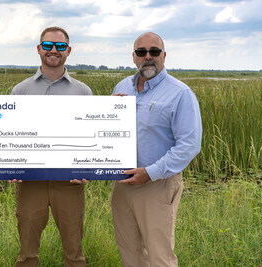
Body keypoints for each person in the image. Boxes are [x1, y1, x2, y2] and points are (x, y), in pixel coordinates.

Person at [111, 32, 202, 266]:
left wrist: (150, 172)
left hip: (157, 184)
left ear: (164, 55)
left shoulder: (181, 93)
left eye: (154, 51)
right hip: (122, 184)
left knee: (159, 256)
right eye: (142, 52)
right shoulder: (122, 87)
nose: (148, 57)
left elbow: (189, 145)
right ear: (134, 57)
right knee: (129, 253)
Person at [10, 26, 92, 267]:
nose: (53, 50)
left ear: (68, 51)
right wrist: (9, 166)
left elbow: (90, 136)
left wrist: (88, 169)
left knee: (74, 251)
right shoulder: (20, 91)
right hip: (30, 182)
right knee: (26, 252)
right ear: (39, 49)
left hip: (69, 183)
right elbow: (12, 135)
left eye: (59, 46)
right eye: (47, 45)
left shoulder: (83, 92)